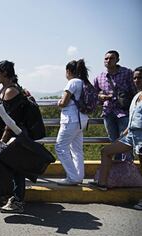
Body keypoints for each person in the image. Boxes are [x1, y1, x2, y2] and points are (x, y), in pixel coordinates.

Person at [89, 67, 142, 202]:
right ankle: (102, 183)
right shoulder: (136, 96)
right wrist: (124, 134)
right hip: (131, 135)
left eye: (140, 77)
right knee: (106, 151)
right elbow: (133, 119)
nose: (137, 80)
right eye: (135, 78)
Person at [0, 60, 29, 213]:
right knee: (11, 167)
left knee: (16, 168)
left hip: (13, 136)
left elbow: (10, 121)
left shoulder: (10, 91)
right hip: (11, 135)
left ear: (5, 73)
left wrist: (2, 141)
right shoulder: (6, 90)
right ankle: (12, 198)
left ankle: (17, 201)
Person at [94, 50, 135, 161]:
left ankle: (127, 169)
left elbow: (134, 91)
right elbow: (94, 93)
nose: (108, 61)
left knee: (126, 142)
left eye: (111, 58)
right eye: (106, 58)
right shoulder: (100, 77)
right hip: (108, 112)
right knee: (113, 142)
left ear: (117, 60)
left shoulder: (127, 73)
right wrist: (100, 96)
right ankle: (118, 170)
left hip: (124, 112)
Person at [55, 59, 90, 186]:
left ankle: (73, 177)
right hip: (82, 120)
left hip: (71, 120)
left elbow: (63, 102)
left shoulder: (72, 82)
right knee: (76, 149)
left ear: (68, 71)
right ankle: (79, 176)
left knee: (60, 147)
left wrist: (59, 102)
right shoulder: (82, 82)